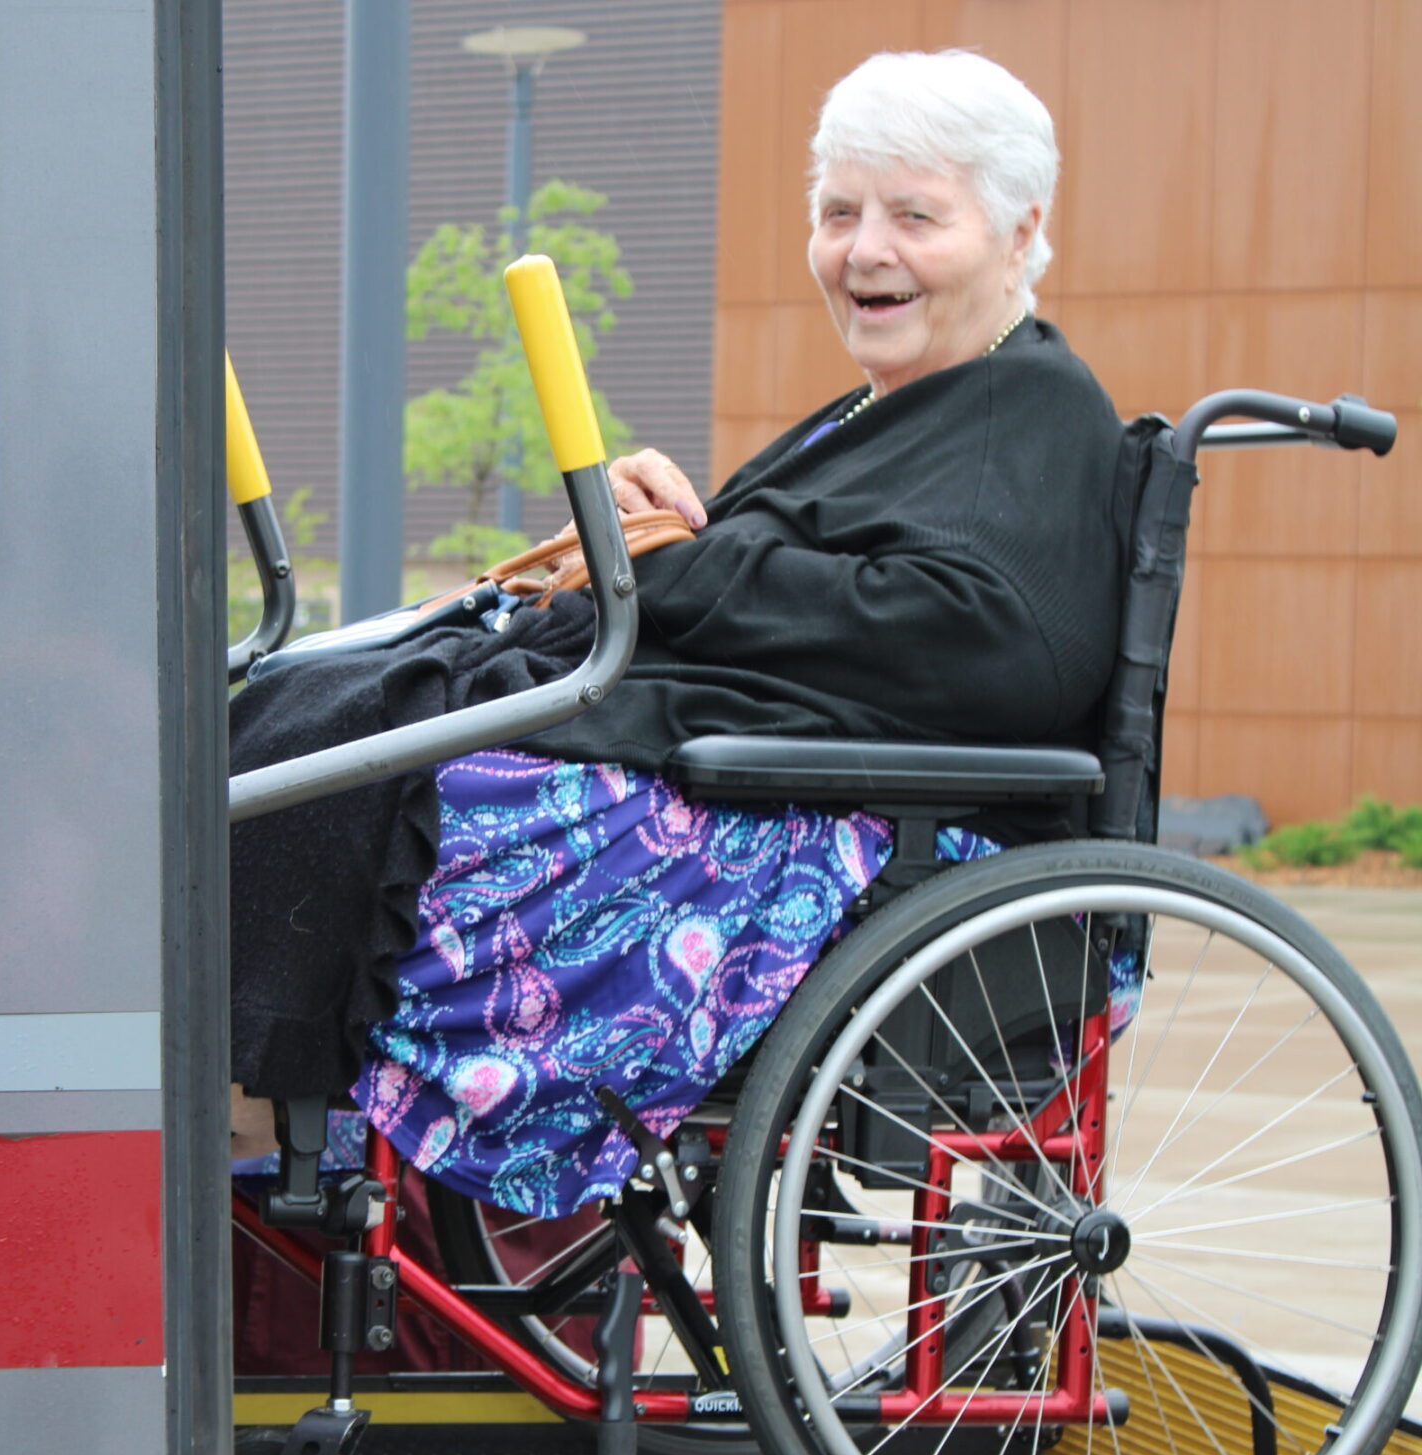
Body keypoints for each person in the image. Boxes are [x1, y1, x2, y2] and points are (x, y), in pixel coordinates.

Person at [229, 50, 1126, 1218]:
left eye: (915, 217)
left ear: (1018, 233)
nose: (865, 251)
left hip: (865, 822)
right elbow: (807, 575)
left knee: (369, 766)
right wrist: (657, 526)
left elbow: (993, 645)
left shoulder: (1037, 412)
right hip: (766, 761)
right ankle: (254, 1091)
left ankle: (268, 1092)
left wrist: (673, 562)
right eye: (838, 214)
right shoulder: (910, 405)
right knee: (318, 712)